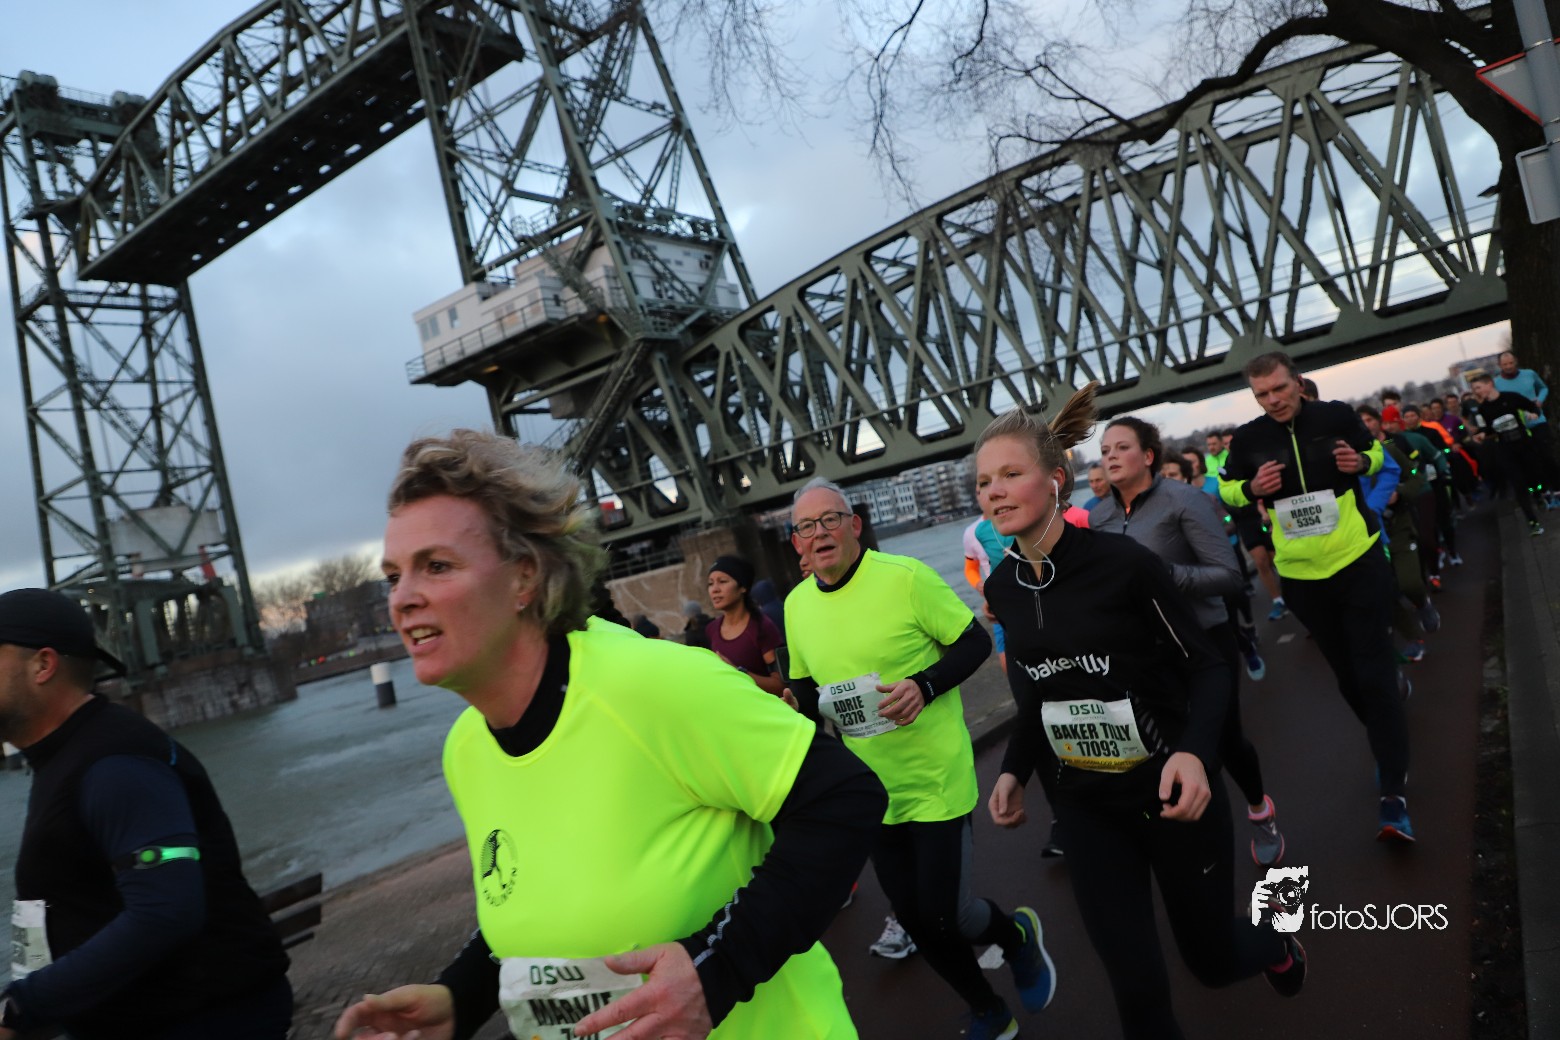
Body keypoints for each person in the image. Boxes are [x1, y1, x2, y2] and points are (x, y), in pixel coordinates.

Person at [338, 430, 885, 1040]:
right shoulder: (466, 750)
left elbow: (845, 797)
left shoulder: (649, 685)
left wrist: (717, 969)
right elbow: (539, 893)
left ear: (524, 577)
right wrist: (460, 997)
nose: (403, 599)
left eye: (436, 566)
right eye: (393, 577)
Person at [977, 388, 1301, 1040]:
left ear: (1056, 480)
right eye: (984, 482)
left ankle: (1276, 942)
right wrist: (1014, 768)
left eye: (1011, 474)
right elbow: (1037, 689)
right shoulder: (1002, 587)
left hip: (1170, 791)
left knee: (1211, 961)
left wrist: (1195, 753)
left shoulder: (1124, 564)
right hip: (1085, 808)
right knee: (1137, 993)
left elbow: (1207, 665)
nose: (994, 492)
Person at [783, 478, 1055, 1040]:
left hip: (934, 776)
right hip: (871, 790)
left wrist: (924, 686)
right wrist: (792, 708)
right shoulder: (796, 605)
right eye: (806, 526)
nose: (820, 533)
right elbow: (808, 692)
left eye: (830, 519)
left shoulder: (905, 577)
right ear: (796, 543)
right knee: (913, 917)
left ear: (854, 525)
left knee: (944, 914)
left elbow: (975, 642)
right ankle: (988, 1010)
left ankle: (1016, 937)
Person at [0, 588, 292, 1040]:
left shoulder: (115, 763)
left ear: (43, 665)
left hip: (197, 1022)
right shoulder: (69, 755)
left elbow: (166, 910)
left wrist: (22, 1005)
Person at [1219, 352, 1415, 842]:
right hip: (1302, 576)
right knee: (1348, 677)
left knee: (1372, 671)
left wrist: (1361, 461)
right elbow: (1226, 491)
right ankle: (1386, 731)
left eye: (1279, 389)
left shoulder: (1335, 416)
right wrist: (1251, 487)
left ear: (1298, 383)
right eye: (1262, 394)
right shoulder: (1248, 439)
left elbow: (1378, 456)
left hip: (1357, 559)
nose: (1273, 400)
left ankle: (1393, 793)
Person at [1090, 417, 1286, 867]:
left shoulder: (1184, 500)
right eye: (1104, 451)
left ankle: (1260, 808)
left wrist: (1164, 576)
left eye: (1121, 447)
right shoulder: (1099, 517)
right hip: (1146, 651)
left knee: (1224, 740)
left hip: (1204, 642)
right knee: (1174, 747)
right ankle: (1203, 851)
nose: (1111, 456)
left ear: (1148, 455)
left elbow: (1229, 576)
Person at [1466, 371, 1548, 535]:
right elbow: (1487, 428)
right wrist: (1482, 434)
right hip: (1505, 449)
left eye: (1478, 387)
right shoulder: (1483, 409)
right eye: (1474, 389)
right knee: (1518, 485)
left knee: (1534, 476)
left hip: (1523, 444)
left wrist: (1534, 413)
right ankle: (1532, 522)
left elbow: (1532, 407)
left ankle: (1537, 493)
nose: (1476, 392)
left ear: (1489, 384)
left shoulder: (1510, 397)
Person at [707, 555, 786, 695]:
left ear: (743, 587)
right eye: (710, 583)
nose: (714, 589)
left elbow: (781, 685)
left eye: (722, 581)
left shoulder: (761, 626)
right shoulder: (711, 629)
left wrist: (738, 672)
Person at [1493, 349, 1560, 505]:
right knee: (1531, 461)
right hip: (1517, 427)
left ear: (1516, 362)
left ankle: (1557, 488)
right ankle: (1542, 492)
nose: (1508, 366)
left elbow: (1543, 388)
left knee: (1547, 455)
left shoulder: (1529, 374)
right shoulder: (1497, 383)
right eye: (1505, 364)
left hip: (1537, 421)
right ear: (1500, 365)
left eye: (1511, 363)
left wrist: (1539, 401)